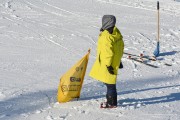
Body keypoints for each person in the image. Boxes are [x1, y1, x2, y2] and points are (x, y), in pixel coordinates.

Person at [89, 15, 124, 108]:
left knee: (110, 84)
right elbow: (119, 48)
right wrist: (119, 60)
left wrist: (108, 65)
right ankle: (111, 101)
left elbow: (108, 53)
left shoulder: (106, 36)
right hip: (114, 61)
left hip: (108, 63)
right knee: (110, 82)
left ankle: (111, 103)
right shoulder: (116, 33)